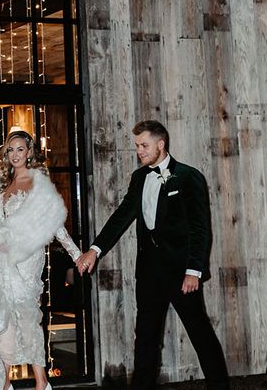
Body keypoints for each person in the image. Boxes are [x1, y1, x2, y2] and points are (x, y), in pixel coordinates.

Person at [77, 120, 229, 390]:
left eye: (144, 145)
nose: (139, 151)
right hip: (148, 273)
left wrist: (193, 270)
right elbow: (122, 216)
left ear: (161, 144)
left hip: (182, 273)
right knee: (145, 338)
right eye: (137, 146)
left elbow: (199, 227)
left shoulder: (188, 176)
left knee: (200, 333)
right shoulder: (138, 178)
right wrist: (94, 249)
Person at [0, 127, 83, 390]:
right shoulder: (0, 183)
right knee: (2, 319)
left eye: (20, 149)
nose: (15, 154)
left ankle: (41, 381)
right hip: (0, 259)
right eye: (10, 150)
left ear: (29, 153)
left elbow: (56, 225)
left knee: (25, 317)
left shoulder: (38, 184)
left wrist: (76, 254)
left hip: (27, 259)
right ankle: (3, 382)